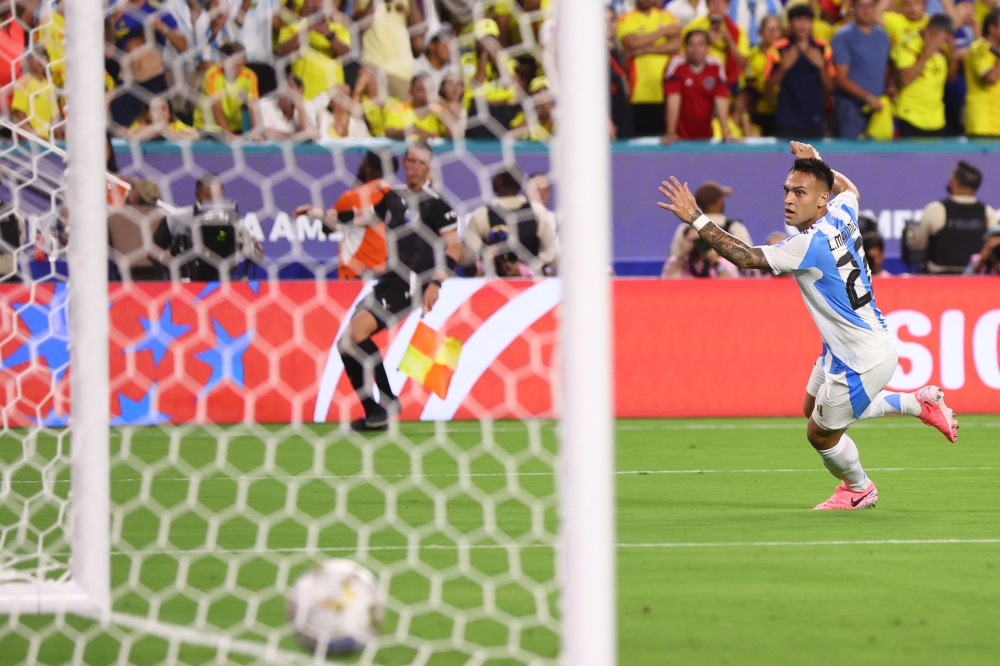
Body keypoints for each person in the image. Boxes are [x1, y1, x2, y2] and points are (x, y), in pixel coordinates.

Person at [656, 140, 959, 510]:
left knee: (820, 433)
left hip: (862, 358)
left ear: (820, 200)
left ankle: (858, 487)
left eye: (800, 192)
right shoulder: (842, 212)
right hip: (847, 345)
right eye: (786, 190)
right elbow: (851, 190)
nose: (788, 199)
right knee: (812, 406)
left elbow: (747, 256)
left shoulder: (807, 244)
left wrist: (697, 219)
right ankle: (917, 402)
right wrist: (816, 162)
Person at [301, 142, 460, 431]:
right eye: (409, 161)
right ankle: (375, 410)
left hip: (411, 284)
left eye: (419, 162)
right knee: (346, 345)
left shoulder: (438, 204)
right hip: (389, 279)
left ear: (428, 168)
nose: (412, 167)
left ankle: (386, 399)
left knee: (357, 333)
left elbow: (454, 248)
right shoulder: (394, 199)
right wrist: (319, 213)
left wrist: (436, 282)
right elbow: (357, 219)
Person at [294, 151, 395, 279]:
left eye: (364, 161)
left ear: (369, 167)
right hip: (386, 276)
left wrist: (316, 213)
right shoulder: (395, 196)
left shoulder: (352, 197)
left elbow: (328, 228)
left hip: (355, 276)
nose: (360, 165)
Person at [106, 0, 189, 128]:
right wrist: (111, 23)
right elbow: (107, 53)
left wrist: (162, 28)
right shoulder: (115, 10)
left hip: (154, 82)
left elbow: (183, 46)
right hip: (127, 83)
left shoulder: (158, 10)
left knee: (161, 129)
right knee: (119, 131)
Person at [167, 173, 264, 281]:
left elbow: (257, 256)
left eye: (217, 197)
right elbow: (162, 249)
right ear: (197, 195)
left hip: (226, 278)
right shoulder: (180, 218)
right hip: (191, 280)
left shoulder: (234, 220)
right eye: (208, 197)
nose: (213, 202)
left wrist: (254, 248)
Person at [462, 167, 558, 275]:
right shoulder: (538, 213)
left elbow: (467, 258)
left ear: (497, 183)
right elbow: (549, 253)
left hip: (492, 280)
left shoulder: (480, 215)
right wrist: (527, 270)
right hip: (531, 283)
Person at [910, 161, 998, 273]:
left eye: (951, 176)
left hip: (940, 278)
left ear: (956, 182)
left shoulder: (935, 209)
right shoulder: (988, 213)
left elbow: (919, 245)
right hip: (976, 281)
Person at [764, 4, 835, 139]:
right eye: (798, 20)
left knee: (813, 159)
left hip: (815, 117)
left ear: (812, 23)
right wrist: (784, 67)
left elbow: (831, 87)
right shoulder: (777, 49)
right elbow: (768, 89)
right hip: (787, 118)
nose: (802, 25)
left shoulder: (823, 48)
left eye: (807, 20)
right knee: (787, 159)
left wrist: (821, 66)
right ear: (790, 23)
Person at [615, 0, 682, 137]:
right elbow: (632, 43)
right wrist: (663, 32)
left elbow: (677, 45)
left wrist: (645, 50)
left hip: (666, 92)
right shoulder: (626, 19)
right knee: (638, 144)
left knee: (663, 144)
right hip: (638, 93)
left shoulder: (667, 16)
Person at [832, 0, 894, 138]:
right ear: (853, 7)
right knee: (851, 156)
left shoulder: (883, 36)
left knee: (879, 157)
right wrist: (867, 97)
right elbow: (841, 78)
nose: (867, 10)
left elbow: (885, 67)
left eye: (871, 6)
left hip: (878, 109)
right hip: (851, 110)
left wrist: (890, 86)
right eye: (861, 6)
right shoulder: (843, 36)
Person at [892, 13, 959, 137]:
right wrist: (927, 53)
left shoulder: (943, 47)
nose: (941, 42)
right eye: (939, 38)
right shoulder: (909, 44)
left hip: (936, 120)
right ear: (928, 31)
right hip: (910, 116)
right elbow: (905, 79)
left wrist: (954, 55)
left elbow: (951, 78)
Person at [275, 0, 352, 104]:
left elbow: (349, 54)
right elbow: (281, 52)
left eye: (321, 1)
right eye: (312, 0)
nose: (316, 3)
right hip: (302, 98)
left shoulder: (339, 30)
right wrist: (304, 31)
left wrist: (330, 35)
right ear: (305, 3)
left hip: (332, 99)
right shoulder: (293, 28)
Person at [662, 30, 732, 143]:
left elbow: (721, 101)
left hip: (706, 136)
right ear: (685, 47)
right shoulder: (676, 65)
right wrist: (671, 133)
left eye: (700, 44)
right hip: (679, 138)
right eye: (691, 44)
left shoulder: (716, 66)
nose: (696, 49)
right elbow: (673, 100)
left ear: (708, 48)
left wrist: (725, 132)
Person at [353, 0, 425, 101]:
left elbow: (418, 34)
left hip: (401, 73)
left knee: (398, 116)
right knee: (373, 115)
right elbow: (359, 28)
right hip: (374, 69)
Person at [193, 42, 263, 140]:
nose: (233, 63)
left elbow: (253, 106)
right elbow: (216, 107)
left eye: (237, 59)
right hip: (208, 126)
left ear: (244, 61)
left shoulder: (250, 77)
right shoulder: (212, 75)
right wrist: (229, 135)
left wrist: (256, 132)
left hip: (234, 127)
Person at [108, 178, 173, 281]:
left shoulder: (113, 217)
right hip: (157, 280)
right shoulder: (165, 217)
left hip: (124, 279)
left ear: (135, 196)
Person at [668, 181, 752, 260]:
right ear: (718, 202)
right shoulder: (735, 227)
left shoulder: (684, 228)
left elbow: (672, 259)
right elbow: (750, 260)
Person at [682, 0, 750, 85]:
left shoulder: (738, 31)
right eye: (713, 2)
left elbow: (744, 64)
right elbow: (682, 55)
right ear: (707, 4)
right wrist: (705, 40)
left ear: (727, 5)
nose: (717, 6)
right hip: (698, 81)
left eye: (721, 3)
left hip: (729, 82)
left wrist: (730, 42)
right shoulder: (693, 27)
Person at [964, 7, 1000, 136]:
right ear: (992, 28)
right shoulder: (979, 48)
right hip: (983, 125)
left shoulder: (997, 51)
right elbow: (990, 78)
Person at [744, 15, 783, 136]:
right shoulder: (753, 56)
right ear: (760, 32)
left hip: (783, 112)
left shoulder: (787, 55)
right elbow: (750, 86)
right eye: (769, 28)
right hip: (759, 112)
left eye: (776, 29)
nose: (773, 32)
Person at [11, 47, 60, 141]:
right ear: (27, 61)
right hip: (28, 143)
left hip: (46, 142)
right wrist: (36, 137)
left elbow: (54, 119)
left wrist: (61, 141)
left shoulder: (49, 86)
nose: (41, 60)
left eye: (44, 56)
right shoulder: (23, 84)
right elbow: (21, 117)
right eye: (36, 57)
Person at [383, 74, 446, 140]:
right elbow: (389, 132)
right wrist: (412, 131)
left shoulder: (438, 110)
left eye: (429, 89)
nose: (425, 93)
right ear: (410, 91)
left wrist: (443, 103)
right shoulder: (399, 109)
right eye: (420, 89)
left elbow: (453, 133)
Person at [259, 75, 321, 141]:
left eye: (290, 88)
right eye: (283, 88)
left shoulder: (308, 106)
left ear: (300, 92)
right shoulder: (265, 105)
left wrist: (299, 105)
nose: (286, 93)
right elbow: (266, 133)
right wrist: (300, 136)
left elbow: (313, 135)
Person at [661, 225, 739, 277]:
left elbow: (733, 286)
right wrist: (681, 256)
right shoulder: (675, 262)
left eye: (701, 241)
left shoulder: (724, 263)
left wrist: (716, 263)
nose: (697, 245)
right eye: (693, 240)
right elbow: (667, 283)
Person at [124, 96, 200, 141]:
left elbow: (195, 135)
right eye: (155, 109)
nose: (159, 113)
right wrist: (155, 130)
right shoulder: (140, 124)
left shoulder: (175, 125)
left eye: (163, 109)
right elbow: (130, 136)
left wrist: (168, 133)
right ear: (147, 114)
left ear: (169, 114)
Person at [412, 26, 455, 94]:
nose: (450, 48)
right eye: (445, 43)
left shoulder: (452, 71)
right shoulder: (414, 68)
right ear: (431, 46)